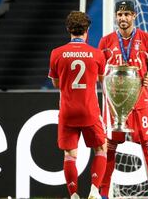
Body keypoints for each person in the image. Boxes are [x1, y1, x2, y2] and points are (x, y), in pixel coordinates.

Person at [98, 0, 148, 199]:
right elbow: (100, 72)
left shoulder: (147, 39)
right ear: (116, 17)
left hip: (140, 99)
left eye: (127, 14)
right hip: (115, 103)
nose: (123, 18)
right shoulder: (106, 41)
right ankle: (104, 193)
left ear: (134, 16)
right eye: (120, 14)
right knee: (110, 146)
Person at [49, 11, 107, 199]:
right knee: (101, 148)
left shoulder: (56, 53)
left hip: (67, 111)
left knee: (70, 155)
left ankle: (73, 195)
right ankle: (94, 191)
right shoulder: (97, 54)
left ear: (68, 29)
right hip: (89, 110)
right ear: (87, 30)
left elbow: (56, 84)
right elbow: (101, 81)